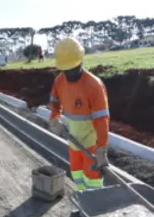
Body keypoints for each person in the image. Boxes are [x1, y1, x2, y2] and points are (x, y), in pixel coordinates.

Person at [47, 37, 110, 192]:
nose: (70, 73)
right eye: (66, 70)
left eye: (73, 68)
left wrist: (101, 149)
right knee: (77, 174)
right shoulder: (59, 81)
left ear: (80, 61)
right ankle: (83, 206)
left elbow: (102, 119)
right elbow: (54, 102)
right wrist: (54, 118)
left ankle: (95, 209)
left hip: (91, 144)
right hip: (73, 141)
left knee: (93, 180)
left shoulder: (94, 86)